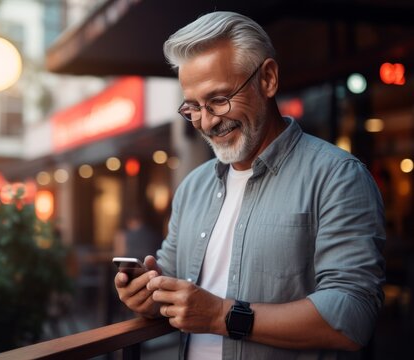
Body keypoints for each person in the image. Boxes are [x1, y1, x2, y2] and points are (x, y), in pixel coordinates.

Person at [113, 11, 385, 360]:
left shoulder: (338, 177)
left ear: (268, 79)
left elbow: (352, 316)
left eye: (219, 100)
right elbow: (172, 275)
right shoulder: (193, 187)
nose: (207, 122)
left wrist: (219, 316)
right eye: (193, 107)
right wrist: (147, 293)